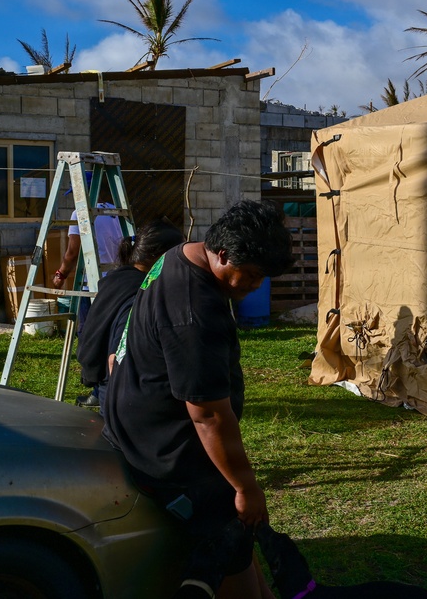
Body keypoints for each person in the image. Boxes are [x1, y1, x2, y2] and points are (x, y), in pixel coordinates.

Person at [102, 200, 294, 599]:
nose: (255, 285)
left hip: (139, 415)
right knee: (226, 528)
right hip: (164, 448)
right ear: (222, 254)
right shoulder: (195, 310)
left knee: (240, 529)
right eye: (252, 275)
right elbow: (208, 415)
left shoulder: (181, 254)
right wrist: (245, 487)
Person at [76, 219, 184, 412]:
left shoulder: (117, 278)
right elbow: (115, 358)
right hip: (120, 389)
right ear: (160, 257)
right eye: (178, 257)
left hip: (102, 378)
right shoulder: (141, 293)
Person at [51, 172, 124, 407]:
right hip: (116, 282)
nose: (74, 198)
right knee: (112, 335)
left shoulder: (80, 214)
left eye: (76, 192)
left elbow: (72, 252)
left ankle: (98, 391)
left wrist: (60, 275)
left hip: (92, 284)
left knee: (90, 337)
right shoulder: (113, 211)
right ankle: (112, 387)